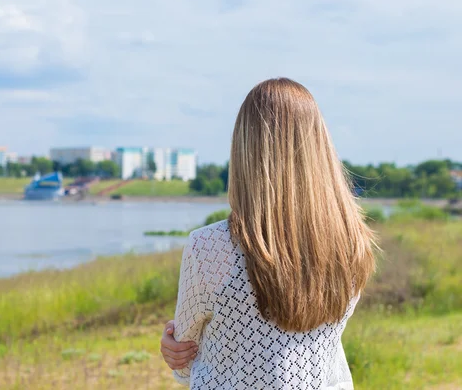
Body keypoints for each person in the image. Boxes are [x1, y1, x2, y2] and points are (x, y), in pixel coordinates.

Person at [159, 78, 377, 389]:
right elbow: (324, 345)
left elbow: (183, 363)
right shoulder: (352, 242)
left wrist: (171, 347)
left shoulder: (209, 246)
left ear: (244, 151)